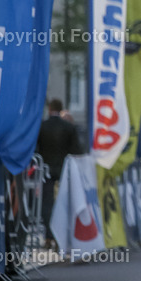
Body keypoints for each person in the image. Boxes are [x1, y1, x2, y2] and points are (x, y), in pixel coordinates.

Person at [37, 99, 84, 244]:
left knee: (47, 202)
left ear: (49, 108)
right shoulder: (69, 127)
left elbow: (36, 148)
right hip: (65, 169)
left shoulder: (42, 126)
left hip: (46, 169)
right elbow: (77, 150)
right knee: (64, 202)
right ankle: (63, 235)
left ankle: (49, 235)